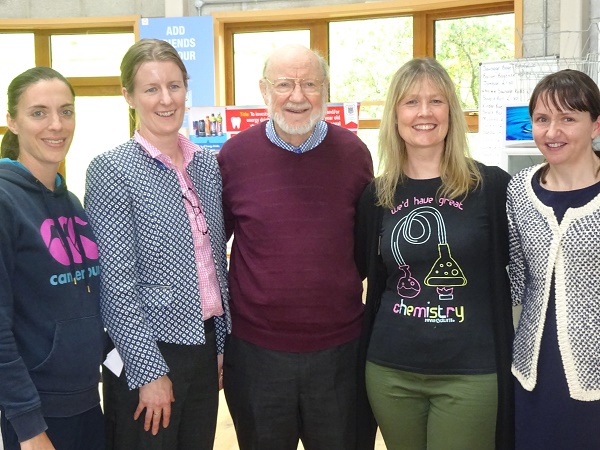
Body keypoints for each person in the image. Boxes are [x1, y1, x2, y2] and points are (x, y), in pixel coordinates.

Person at [216, 44, 373, 450]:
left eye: (310, 84)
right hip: (256, 354)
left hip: (339, 352)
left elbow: (363, 247)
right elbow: (214, 249)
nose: (298, 96)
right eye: (285, 84)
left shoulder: (355, 155)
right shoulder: (234, 156)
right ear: (265, 91)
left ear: (326, 89)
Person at [354, 57, 515, 450]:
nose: (424, 112)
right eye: (411, 102)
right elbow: (359, 269)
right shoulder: (377, 195)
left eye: (436, 101)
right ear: (394, 115)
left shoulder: (491, 187)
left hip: (470, 373)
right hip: (390, 370)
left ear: (451, 112)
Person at [84, 38, 231, 450]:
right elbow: (114, 285)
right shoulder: (112, 169)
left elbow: (214, 265)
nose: (166, 99)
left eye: (175, 86)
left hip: (203, 345)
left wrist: (220, 345)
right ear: (128, 96)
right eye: (151, 89)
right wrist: (147, 371)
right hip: (147, 349)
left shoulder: (206, 165)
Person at [0, 67, 105, 450]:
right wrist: (29, 428)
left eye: (66, 111)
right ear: (12, 121)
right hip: (37, 416)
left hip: (87, 403)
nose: (56, 125)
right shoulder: (5, 202)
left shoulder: (72, 203)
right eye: (39, 112)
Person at [507, 69, 600, 450]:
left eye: (568, 119)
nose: (552, 132)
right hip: (531, 371)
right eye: (542, 119)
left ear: (595, 126)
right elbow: (514, 277)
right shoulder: (519, 190)